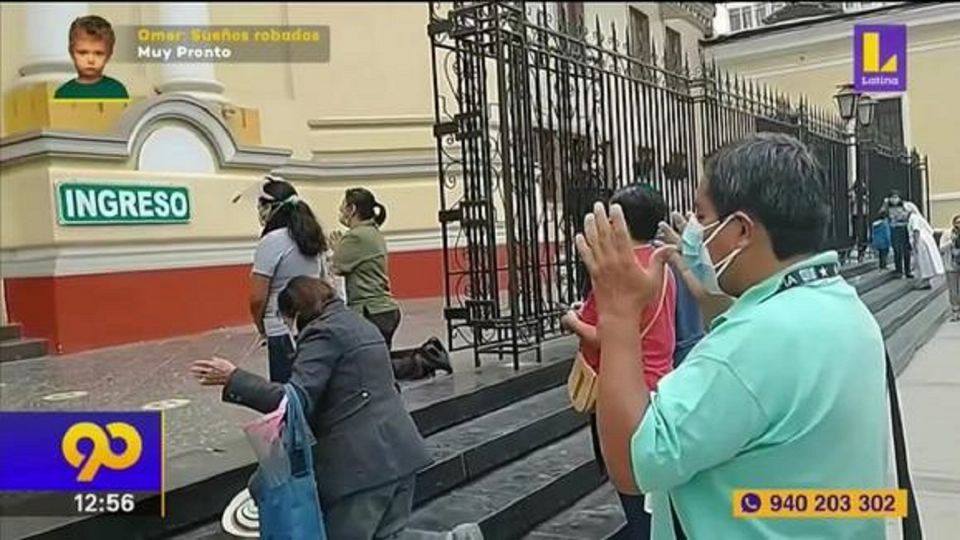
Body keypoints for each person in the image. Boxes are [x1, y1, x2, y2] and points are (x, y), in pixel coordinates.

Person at [577, 133, 890, 539]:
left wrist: (618, 312)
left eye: (701, 216)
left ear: (741, 230)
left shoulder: (757, 341)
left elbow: (633, 464)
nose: (692, 231)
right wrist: (705, 289)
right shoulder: (841, 306)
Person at [191, 276, 432, 539]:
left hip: (362, 469)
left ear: (295, 312)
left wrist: (234, 378)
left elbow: (293, 399)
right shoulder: (360, 324)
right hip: (401, 452)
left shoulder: (322, 332)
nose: (290, 331)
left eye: (287, 321)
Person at [561, 183, 676, 540]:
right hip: (663, 383)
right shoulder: (661, 265)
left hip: (624, 391)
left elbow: (606, 336)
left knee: (633, 491)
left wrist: (572, 321)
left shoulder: (616, 272)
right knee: (656, 497)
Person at [250, 175, 332, 383]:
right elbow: (324, 280)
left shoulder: (271, 241)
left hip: (281, 328)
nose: (260, 213)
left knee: (286, 393)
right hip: (312, 324)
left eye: (261, 206)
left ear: (271, 208)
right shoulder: (313, 236)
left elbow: (257, 298)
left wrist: (262, 328)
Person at [329, 188, 402, 349]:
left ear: (352, 209)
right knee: (381, 360)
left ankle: (419, 363)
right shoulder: (373, 231)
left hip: (369, 311)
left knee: (368, 362)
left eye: (343, 206)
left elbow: (337, 267)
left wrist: (337, 248)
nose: (340, 211)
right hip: (383, 309)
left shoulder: (355, 236)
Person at [55, 15, 129, 100]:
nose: (91, 60)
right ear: (72, 53)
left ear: (108, 55)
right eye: (83, 53)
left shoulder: (117, 91)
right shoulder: (63, 93)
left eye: (98, 53)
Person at [905, 202, 944, 289]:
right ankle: (925, 281)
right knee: (926, 261)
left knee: (922, 261)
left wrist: (915, 244)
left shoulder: (913, 218)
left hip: (921, 241)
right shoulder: (917, 217)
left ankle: (924, 281)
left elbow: (916, 230)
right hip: (925, 240)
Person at [881, 190, 912, 278]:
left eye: (896, 197)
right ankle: (899, 270)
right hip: (894, 229)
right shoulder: (887, 206)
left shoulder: (904, 205)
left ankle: (908, 270)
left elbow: (910, 213)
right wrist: (885, 204)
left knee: (906, 251)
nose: (894, 199)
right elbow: (881, 213)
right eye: (892, 197)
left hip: (904, 228)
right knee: (897, 250)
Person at [940, 214, 960, 321]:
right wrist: (951, 242)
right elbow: (941, 249)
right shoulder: (947, 234)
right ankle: (955, 311)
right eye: (957, 222)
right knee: (953, 290)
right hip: (951, 266)